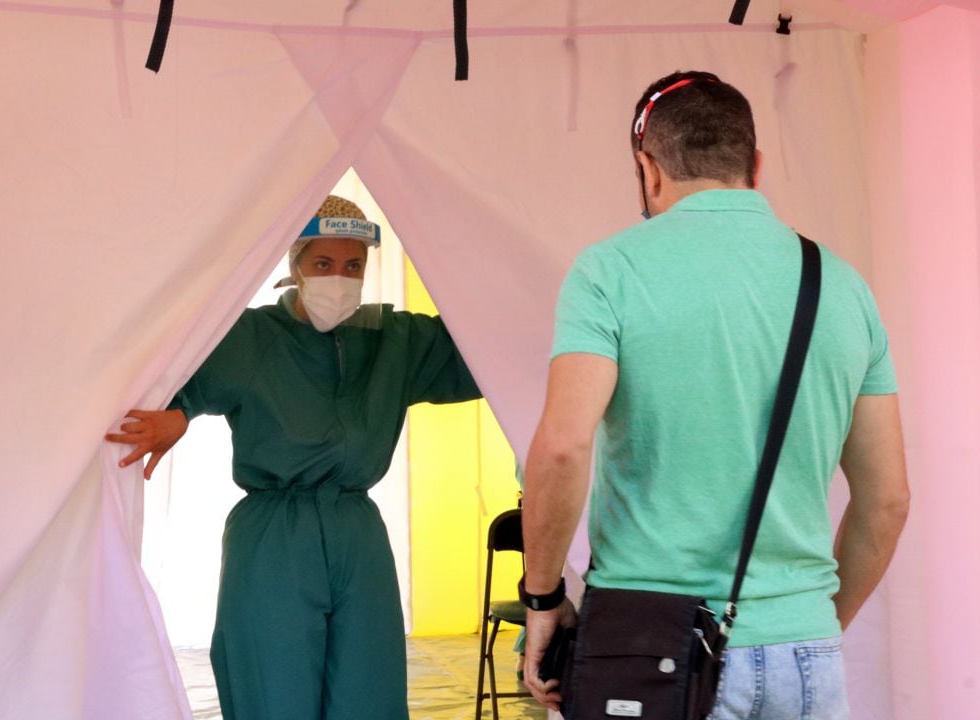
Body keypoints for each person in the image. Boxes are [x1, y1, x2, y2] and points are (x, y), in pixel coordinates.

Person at [520, 71, 910, 719]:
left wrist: (541, 600)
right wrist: (806, 624)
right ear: (753, 165)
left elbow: (562, 449)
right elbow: (888, 500)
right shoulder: (841, 286)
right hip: (803, 653)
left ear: (648, 170)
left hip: (647, 650)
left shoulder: (609, 271)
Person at [106, 195, 481, 720]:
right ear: (295, 265)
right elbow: (183, 372)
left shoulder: (394, 340)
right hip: (273, 537)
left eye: (353, 265)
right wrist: (179, 413)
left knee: (368, 688)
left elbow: (487, 351)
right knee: (273, 685)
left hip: (357, 532)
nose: (340, 279)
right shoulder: (251, 335)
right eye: (322, 264)